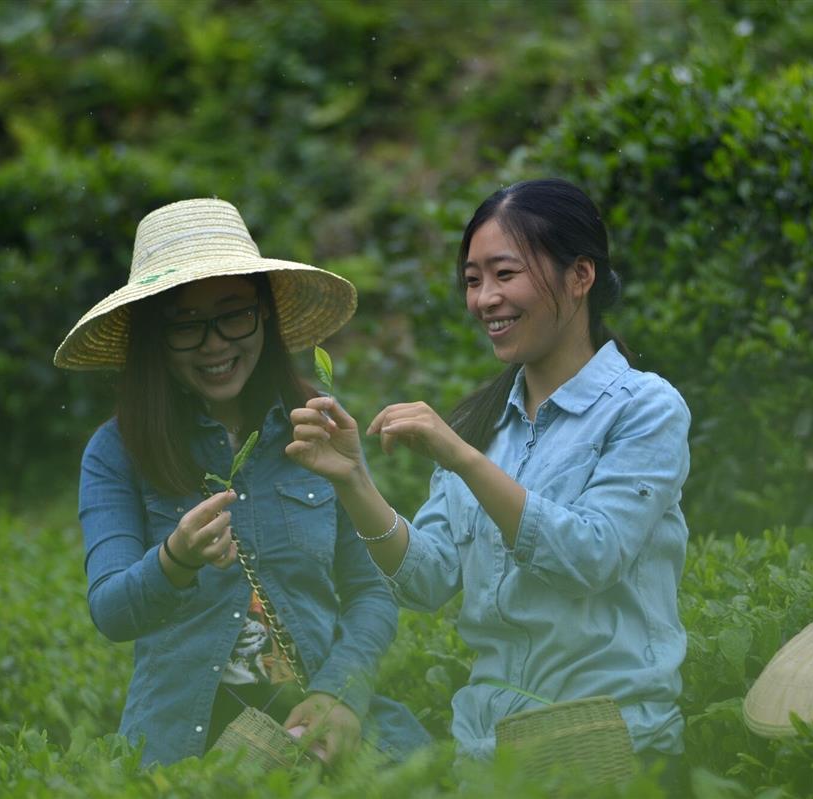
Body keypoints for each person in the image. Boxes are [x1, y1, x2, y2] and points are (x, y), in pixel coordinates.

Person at [285, 179, 691, 782]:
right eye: (473, 281)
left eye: (505, 274)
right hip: (489, 754)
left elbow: (593, 557)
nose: (485, 299)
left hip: (612, 746)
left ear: (581, 277)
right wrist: (353, 480)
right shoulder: (483, 422)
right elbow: (426, 581)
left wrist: (465, 460)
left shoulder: (644, 408)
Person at [53, 198, 430, 768]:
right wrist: (174, 560)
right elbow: (111, 610)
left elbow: (370, 588)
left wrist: (341, 695)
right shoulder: (117, 451)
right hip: (185, 740)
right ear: (155, 338)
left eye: (234, 315)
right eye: (185, 324)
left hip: (317, 716)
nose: (214, 344)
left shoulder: (316, 426)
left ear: (264, 317)